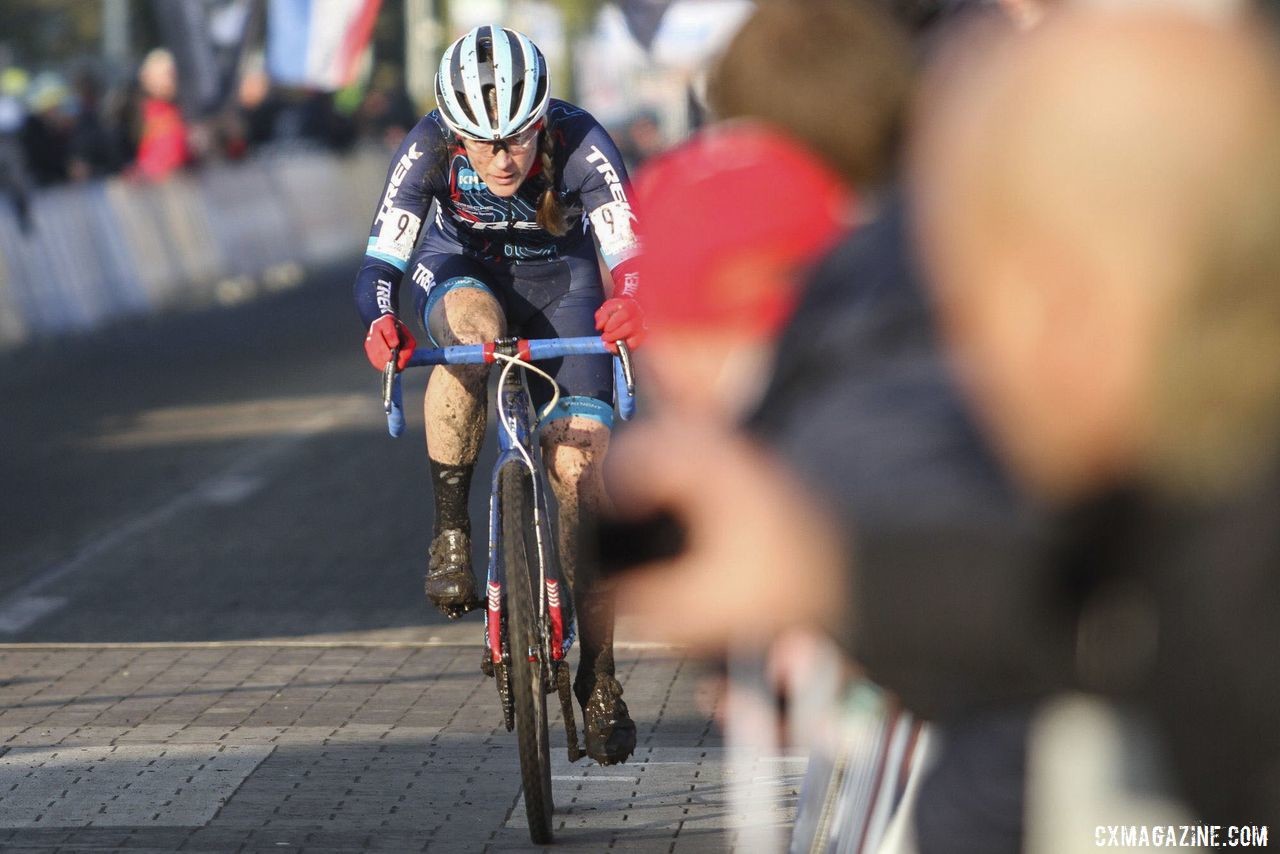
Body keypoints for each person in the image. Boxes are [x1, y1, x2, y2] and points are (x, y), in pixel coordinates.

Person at [352, 25, 645, 766]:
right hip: (461, 270)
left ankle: (600, 677)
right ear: (453, 135)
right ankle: (451, 530)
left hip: (563, 286)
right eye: (481, 146)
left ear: (541, 122)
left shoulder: (584, 143)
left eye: (516, 140)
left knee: (580, 473)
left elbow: (633, 255)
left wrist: (634, 299)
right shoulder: (424, 148)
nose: (502, 158)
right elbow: (380, 265)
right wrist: (381, 320)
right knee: (471, 339)